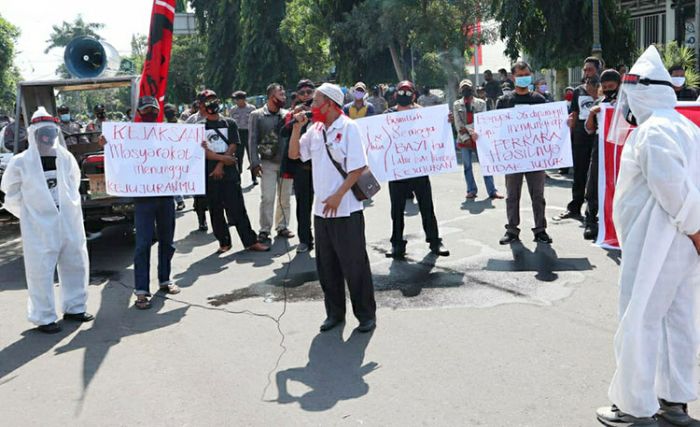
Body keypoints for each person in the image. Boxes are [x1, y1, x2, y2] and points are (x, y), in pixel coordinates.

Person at [596, 45, 700, 427]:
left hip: (657, 243)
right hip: (684, 245)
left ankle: (633, 407)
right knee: (679, 321)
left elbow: (671, 187)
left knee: (639, 320)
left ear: (643, 92)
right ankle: (674, 403)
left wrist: (696, 228)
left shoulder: (653, 132)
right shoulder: (686, 127)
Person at [288, 82, 377, 333]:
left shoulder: (348, 128)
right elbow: (295, 155)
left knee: (354, 264)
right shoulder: (314, 129)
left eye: (315, 101)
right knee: (327, 266)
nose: (311, 106)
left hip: (346, 208)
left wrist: (339, 195)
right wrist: (297, 128)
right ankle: (335, 313)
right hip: (321, 210)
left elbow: (358, 167)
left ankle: (366, 314)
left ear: (329, 104)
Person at [1, 107, 93, 332]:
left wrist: (68, 210)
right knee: (40, 271)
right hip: (39, 226)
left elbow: (74, 183)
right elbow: (9, 193)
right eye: (43, 132)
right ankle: (44, 317)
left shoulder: (65, 157)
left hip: (68, 221)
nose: (48, 137)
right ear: (33, 133)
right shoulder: (21, 162)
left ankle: (75, 308)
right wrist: (29, 215)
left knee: (76, 262)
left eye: (51, 132)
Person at [98, 97, 181, 309]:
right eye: (147, 110)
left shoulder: (169, 134)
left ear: (159, 111)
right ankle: (141, 290)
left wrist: (199, 146)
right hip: (143, 198)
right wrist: (107, 145)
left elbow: (184, 155)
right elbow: (118, 157)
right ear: (139, 113)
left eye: (154, 109)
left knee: (167, 241)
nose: (151, 113)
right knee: (143, 244)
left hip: (166, 195)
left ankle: (165, 279)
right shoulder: (129, 137)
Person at [384, 80, 450, 258]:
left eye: (408, 92)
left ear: (414, 95)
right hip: (397, 171)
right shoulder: (387, 115)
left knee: (426, 207)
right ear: (395, 94)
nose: (404, 95)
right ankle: (397, 244)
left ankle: (435, 241)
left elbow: (435, 134)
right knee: (396, 210)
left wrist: (445, 122)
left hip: (419, 168)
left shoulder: (422, 114)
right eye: (401, 91)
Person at [199, 90, 270, 254]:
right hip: (209, 176)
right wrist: (222, 160)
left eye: (213, 100)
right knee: (215, 211)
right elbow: (203, 152)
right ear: (201, 106)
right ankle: (224, 243)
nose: (211, 104)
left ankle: (250, 242)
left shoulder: (229, 123)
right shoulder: (199, 128)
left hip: (230, 175)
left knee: (238, 208)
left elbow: (233, 145)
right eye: (207, 101)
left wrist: (220, 165)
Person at [491, 61, 552, 245]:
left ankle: (540, 230)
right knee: (512, 195)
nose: (523, 77)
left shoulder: (539, 100)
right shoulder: (505, 101)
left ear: (531, 74)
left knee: (538, 196)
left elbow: (548, 126)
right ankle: (512, 230)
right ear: (513, 77)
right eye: (519, 74)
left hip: (535, 156)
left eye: (526, 73)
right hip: (514, 157)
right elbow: (495, 127)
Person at [555, 57, 602, 222]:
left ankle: (594, 211)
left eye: (590, 69)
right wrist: (569, 131)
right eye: (585, 70)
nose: (586, 73)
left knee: (596, 174)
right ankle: (575, 207)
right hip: (581, 136)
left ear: (598, 69)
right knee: (579, 172)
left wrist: (595, 92)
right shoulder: (578, 91)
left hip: (598, 136)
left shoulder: (605, 90)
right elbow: (574, 113)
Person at [248, 83, 294, 244]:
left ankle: (282, 227)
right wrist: (254, 162)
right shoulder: (257, 115)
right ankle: (264, 230)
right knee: (267, 197)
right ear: (270, 97)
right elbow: (252, 140)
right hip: (267, 163)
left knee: (285, 198)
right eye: (280, 95)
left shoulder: (288, 114)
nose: (284, 97)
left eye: (284, 95)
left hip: (286, 163)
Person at [582, 69, 621, 241]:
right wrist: (592, 113)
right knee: (593, 185)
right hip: (600, 148)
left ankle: (617, 223)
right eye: (604, 87)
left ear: (619, 86)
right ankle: (591, 221)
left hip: (621, 150)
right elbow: (589, 129)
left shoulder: (627, 103)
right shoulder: (600, 103)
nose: (607, 90)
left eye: (611, 86)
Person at [453, 79, 502, 201]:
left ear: (472, 89)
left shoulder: (481, 103)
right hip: (464, 140)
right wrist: (466, 137)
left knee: (486, 165)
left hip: (479, 138)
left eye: (468, 88)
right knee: (467, 166)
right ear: (460, 90)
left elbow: (481, 121)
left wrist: (469, 129)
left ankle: (492, 191)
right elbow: (458, 124)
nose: (466, 90)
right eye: (463, 88)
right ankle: (471, 190)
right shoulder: (456, 104)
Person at [281, 79, 316, 253]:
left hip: (323, 166)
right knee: (303, 205)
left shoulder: (322, 109)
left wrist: (314, 113)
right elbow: (284, 131)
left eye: (309, 92)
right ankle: (305, 239)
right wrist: (295, 117)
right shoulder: (293, 113)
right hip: (302, 167)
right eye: (302, 93)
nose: (306, 96)